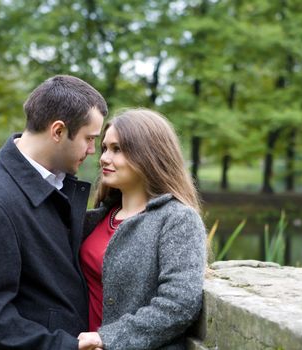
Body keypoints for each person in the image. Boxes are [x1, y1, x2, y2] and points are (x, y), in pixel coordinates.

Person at [0, 75, 108, 350]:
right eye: (89, 139)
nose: (91, 150)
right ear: (58, 131)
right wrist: (64, 345)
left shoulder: (54, 182)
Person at [77, 108, 207, 350]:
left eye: (117, 149)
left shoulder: (177, 219)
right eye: (105, 148)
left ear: (148, 155)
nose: (104, 157)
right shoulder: (96, 218)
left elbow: (180, 302)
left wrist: (108, 338)